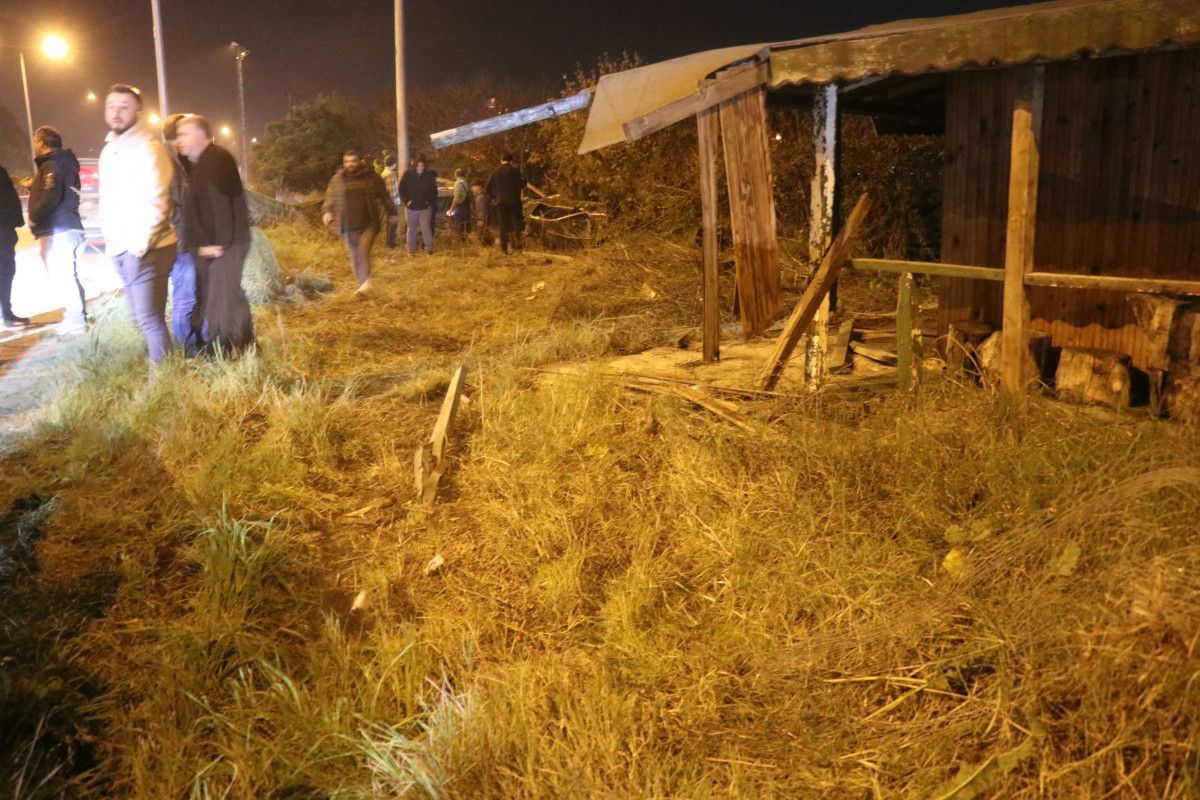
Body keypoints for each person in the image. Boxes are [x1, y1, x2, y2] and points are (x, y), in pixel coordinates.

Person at [99, 84, 177, 363]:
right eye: (112, 106)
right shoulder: (109, 151)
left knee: (149, 320)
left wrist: (138, 248)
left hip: (149, 249)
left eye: (124, 107)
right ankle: (164, 369)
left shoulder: (148, 149)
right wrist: (113, 244)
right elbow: (107, 199)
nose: (116, 112)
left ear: (138, 112)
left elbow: (157, 203)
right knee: (140, 318)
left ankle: (165, 378)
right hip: (120, 248)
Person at [175, 115, 255, 355]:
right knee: (231, 296)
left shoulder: (215, 159)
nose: (179, 139)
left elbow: (220, 203)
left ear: (201, 134)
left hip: (224, 245)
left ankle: (219, 353)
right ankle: (248, 347)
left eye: (184, 134)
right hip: (220, 244)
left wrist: (217, 244)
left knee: (219, 302)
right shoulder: (201, 163)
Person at [27, 126, 87, 332]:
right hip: (69, 226)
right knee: (68, 275)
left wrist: (34, 217)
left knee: (63, 276)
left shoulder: (52, 164)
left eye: (36, 141)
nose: (35, 145)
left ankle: (76, 322)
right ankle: (77, 316)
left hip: (60, 229)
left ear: (42, 143)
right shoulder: (63, 163)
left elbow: (51, 196)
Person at [322, 149, 396, 295]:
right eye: (347, 162)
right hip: (347, 224)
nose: (350, 164)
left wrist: (392, 212)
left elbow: (385, 196)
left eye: (353, 161)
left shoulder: (372, 178)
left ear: (360, 161)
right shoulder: (337, 179)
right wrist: (327, 212)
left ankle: (365, 284)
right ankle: (363, 285)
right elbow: (329, 198)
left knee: (363, 251)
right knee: (354, 255)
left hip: (369, 223)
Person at [161, 113, 203, 354]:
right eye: (185, 132)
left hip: (189, 240)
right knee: (185, 298)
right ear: (175, 136)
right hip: (180, 243)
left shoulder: (181, 161)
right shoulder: (166, 163)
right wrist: (187, 224)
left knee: (193, 295)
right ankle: (188, 350)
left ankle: (196, 344)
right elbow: (167, 205)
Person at [0, 166, 27, 327]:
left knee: (6, 272)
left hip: (5, 230)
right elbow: (9, 200)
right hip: (3, 230)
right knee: (5, 271)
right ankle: (6, 314)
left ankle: (7, 313)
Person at [398, 154, 438, 255]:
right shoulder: (408, 174)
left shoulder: (429, 176)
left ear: (425, 166)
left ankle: (429, 250)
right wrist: (406, 201)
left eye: (422, 166)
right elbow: (401, 189)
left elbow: (434, 191)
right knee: (411, 229)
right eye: (418, 165)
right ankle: (411, 250)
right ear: (415, 165)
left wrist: (428, 201)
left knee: (426, 229)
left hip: (425, 208)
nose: (420, 168)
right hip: (411, 208)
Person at [485, 153, 525, 254]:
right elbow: (521, 185)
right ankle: (518, 245)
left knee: (503, 226)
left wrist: (495, 198)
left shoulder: (495, 171)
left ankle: (504, 249)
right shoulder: (514, 170)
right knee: (517, 223)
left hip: (501, 203)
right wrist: (524, 181)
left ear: (501, 160)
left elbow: (487, 188)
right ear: (511, 161)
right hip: (514, 202)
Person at [380, 154, 400, 249]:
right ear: (393, 163)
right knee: (393, 223)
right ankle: (391, 244)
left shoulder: (384, 173)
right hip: (392, 203)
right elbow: (392, 191)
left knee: (389, 223)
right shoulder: (390, 174)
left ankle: (389, 242)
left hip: (387, 202)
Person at [447, 168, 471, 242]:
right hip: (466, 206)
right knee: (465, 224)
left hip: (460, 207)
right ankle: (465, 241)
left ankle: (459, 241)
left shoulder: (457, 183)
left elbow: (457, 197)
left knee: (458, 224)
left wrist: (451, 209)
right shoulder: (465, 182)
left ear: (456, 174)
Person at [470, 181, 492, 246]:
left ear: (479, 187)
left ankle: (487, 247)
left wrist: (481, 220)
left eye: (473, 187)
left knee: (482, 236)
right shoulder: (481, 196)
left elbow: (483, 209)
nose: (472, 189)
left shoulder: (481, 197)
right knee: (483, 235)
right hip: (483, 219)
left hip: (482, 220)